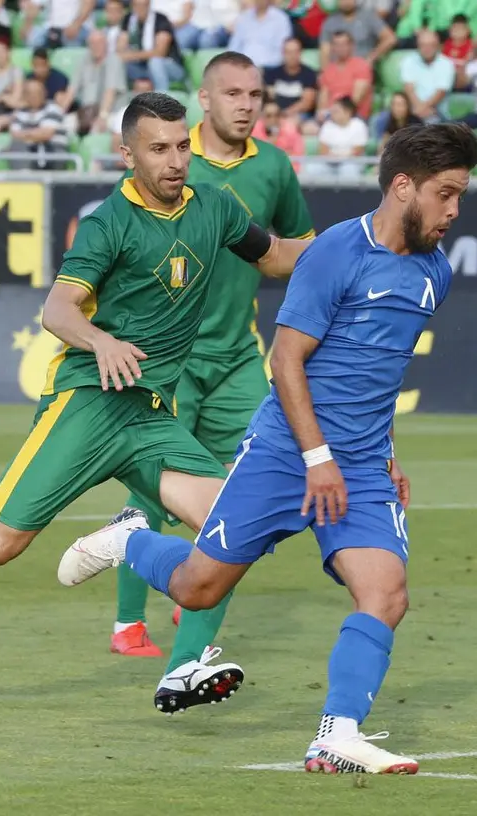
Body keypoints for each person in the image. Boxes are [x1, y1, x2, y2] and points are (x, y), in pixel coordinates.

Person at [57, 122, 477, 774]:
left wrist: (388, 454)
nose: (453, 211)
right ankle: (129, 540)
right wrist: (317, 458)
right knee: (198, 589)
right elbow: (286, 361)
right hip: (286, 453)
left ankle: (336, 734)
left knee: (386, 594)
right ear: (403, 186)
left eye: (460, 197)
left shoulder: (434, 273)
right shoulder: (336, 252)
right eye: (445, 194)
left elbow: (379, 374)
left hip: (360, 466)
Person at [0, 92, 311, 627]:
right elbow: (58, 309)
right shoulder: (108, 223)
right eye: (158, 149)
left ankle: (130, 547)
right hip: (90, 403)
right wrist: (102, 342)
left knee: (231, 527)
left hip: (149, 416)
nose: (176, 160)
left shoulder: (215, 207)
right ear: (127, 155)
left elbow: (276, 255)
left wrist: (357, 241)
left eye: (183, 146)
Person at [108, 52, 316, 711]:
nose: (246, 104)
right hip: (166, 361)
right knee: (152, 493)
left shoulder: (274, 167)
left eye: (256, 94)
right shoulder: (169, 156)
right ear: (204, 99)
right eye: (232, 93)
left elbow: (299, 252)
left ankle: (187, 655)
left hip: (236, 362)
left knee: (240, 506)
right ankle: (127, 622)